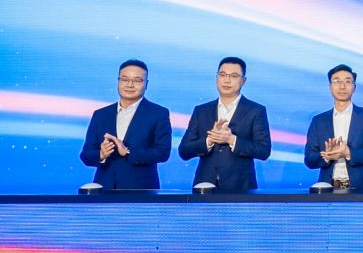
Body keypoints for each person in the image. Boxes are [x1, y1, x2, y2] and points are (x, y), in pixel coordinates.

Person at [178, 56, 272, 192]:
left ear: (244, 80)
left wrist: (231, 140)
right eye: (222, 75)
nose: (227, 80)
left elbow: (263, 150)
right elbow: (184, 151)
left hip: (241, 188)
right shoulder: (201, 111)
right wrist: (209, 140)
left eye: (233, 76)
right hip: (204, 188)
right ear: (217, 78)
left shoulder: (256, 111)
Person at [78, 59, 172, 189]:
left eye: (137, 80)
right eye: (124, 79)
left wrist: (127, 152)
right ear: (118, 82)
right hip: (104, 189)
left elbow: (162, 153)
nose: (130, 85)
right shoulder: (100, 115)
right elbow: (86, 155)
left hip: (142, 190)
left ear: (146, 84)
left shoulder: (158, 113)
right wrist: (101, 154)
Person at [304, 64, 363, 190]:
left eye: (347, 81)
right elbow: (309, 160)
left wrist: (348, 153)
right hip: (327, 187)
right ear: (330, 87)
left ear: (354, 87)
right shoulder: (318, 121)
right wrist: (326, 156)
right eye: (337, 81)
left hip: (362, 187)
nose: (342, 86)